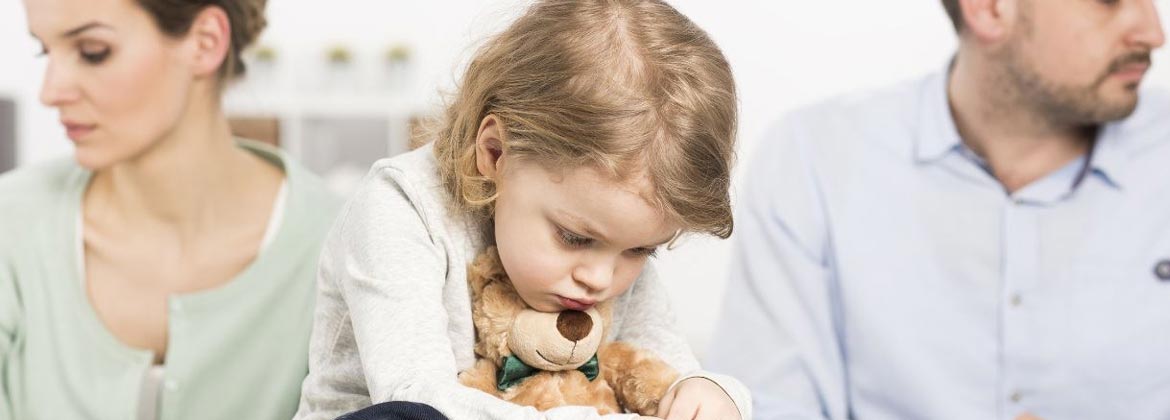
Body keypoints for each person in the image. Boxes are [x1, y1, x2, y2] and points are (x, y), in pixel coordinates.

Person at [707, 0, 1169, 419]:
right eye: (1108, 2)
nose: (1154, 33)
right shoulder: (815, 159)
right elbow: (771, 406)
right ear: (990, 9)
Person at [293, 0, 751, 419]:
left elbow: (669, 370)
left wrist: (709, 392)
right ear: (494, 153)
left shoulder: (610, 248)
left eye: (640, 251)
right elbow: (415, 395)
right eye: (574, 238)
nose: (600, 279)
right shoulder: (400, 205)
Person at [0, 0, 339, 418]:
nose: (50, 92)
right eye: (45, 51)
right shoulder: (11, 227)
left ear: (205, 42)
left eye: (93, 52)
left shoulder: (339, 244)